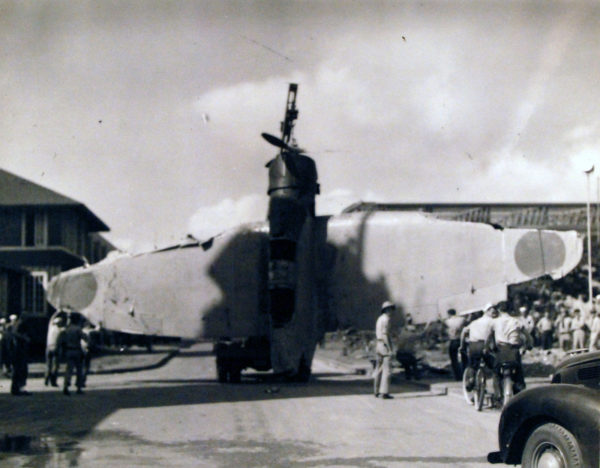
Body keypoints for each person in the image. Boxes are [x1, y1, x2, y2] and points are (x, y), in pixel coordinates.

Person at [486, 303, 532, 397]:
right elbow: (528, 337)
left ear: (499, 310)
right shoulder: (517, 321)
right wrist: (529, 345)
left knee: (496, 372)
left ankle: (497, 395)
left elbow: (488, 337)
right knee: (518, 374)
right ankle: (520, 396)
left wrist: (487, 348)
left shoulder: (494, 322)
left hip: (501, 350)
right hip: (514, 350)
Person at [459, 304, 497, 390]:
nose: (494, 312)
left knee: (473, 365)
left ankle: (471, 380)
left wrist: (462, 346)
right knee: (494, 366)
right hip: (485, 345)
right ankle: (495, 389)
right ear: (486, 311)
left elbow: (464, 331)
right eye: (492, 311)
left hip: (473, 345)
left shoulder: (474, 322)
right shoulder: (492, 322)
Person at [57, 313, 87, 395]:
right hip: (77, 350)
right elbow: (85, 337)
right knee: (79, 369)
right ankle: (78, 387)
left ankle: (66, 386)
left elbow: (61, 340)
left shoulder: (66, 329)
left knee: (68, 370)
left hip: (68, 350)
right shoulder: (78, 329)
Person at [373, 301, 395, 399]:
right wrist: (390, 349)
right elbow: (385, 335)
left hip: (378, 344)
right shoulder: (386, 319)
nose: (391, 311)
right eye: (390, 309)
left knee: (379, 368)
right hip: (384, 345)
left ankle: (376, 390)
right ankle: (384, 392)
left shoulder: (379, 318)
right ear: (386, 310)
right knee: (387, 370)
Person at [9, 315, 31, 396]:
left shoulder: (17, 325)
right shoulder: (19, 325)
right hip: (19, 352)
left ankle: (17, 388)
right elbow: (15, 334)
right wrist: (24, 338)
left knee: (19, 371)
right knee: (19, 371)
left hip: (18, 352)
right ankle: (17, 389)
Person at [444, 309, 465, 381]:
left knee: (454, 360)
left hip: (453, 340)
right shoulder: (462, 319)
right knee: (464, 358)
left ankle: (458, 376)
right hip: (461, 340)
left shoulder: (447, 321)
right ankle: (465, 374)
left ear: (449, 314)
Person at [45, 313, 65, 387]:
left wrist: (57, 312)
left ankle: (46, 379)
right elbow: (68, 327)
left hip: (48, 347)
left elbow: (51, 319)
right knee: (55, 366)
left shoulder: (51, 327)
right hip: (56, 348)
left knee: (48, 365)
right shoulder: (60, 330)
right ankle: (53, 381)